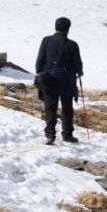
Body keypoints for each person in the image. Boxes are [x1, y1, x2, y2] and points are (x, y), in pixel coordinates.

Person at [35, 17, 83, 145]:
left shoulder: (46, 41)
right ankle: (67, 134)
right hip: (67, 80)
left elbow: (40, 60)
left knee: (50, 108)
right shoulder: (72, 45)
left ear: (55, 26)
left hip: (49, 79)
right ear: (68, 29)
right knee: (67, 108)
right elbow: (77, 64)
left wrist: (40, 73)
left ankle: (50, 135)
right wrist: (79, 71)